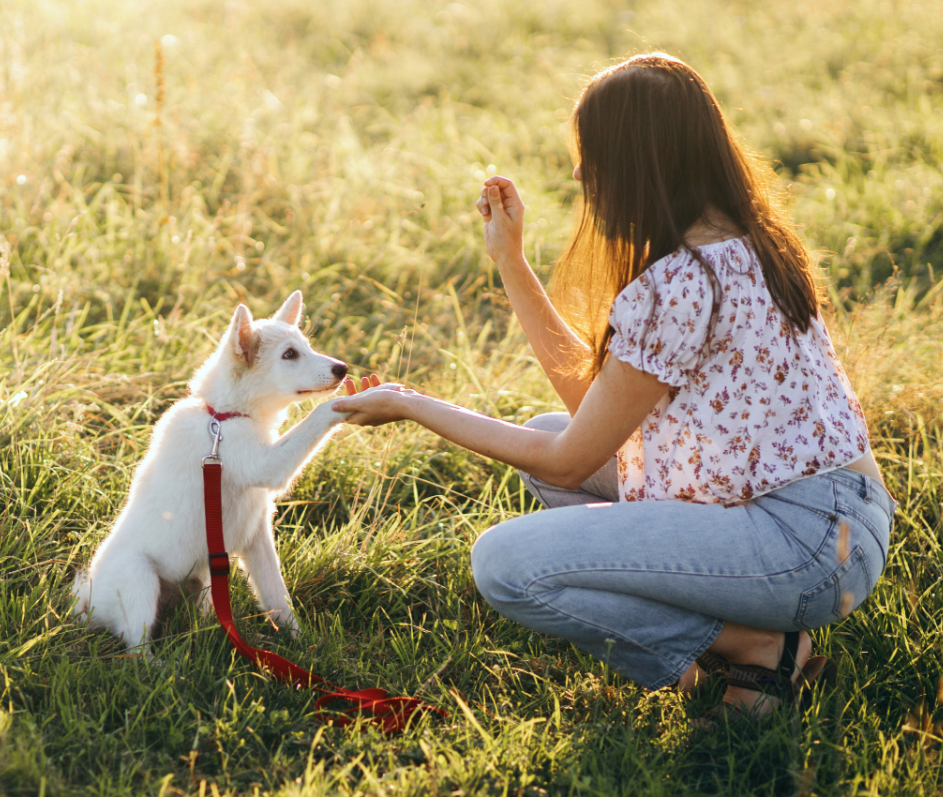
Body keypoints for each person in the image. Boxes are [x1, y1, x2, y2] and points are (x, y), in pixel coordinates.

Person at [334, 53, 895, 720]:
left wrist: (408, 403)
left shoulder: (683, 281)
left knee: (504, 564)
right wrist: (511, 263)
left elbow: (572, 459)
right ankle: (755, 640)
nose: (579, 173)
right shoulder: (746, 243)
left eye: (590, 154)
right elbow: (590, 417)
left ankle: (757, 644)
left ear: (636, 160)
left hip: (804, 547)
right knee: (545, 432)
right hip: (838, 522)